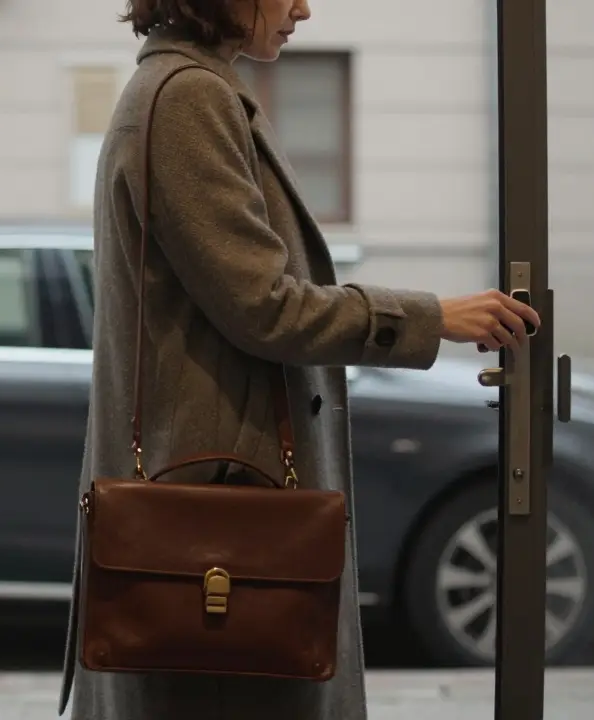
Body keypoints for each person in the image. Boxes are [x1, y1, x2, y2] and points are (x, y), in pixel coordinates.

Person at [58, 0, 541, 718]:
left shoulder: (192, 88)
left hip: (217, 494)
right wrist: (431, 316)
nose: (304, 9)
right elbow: (263, 305)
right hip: (218, 513)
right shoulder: (188, 97)